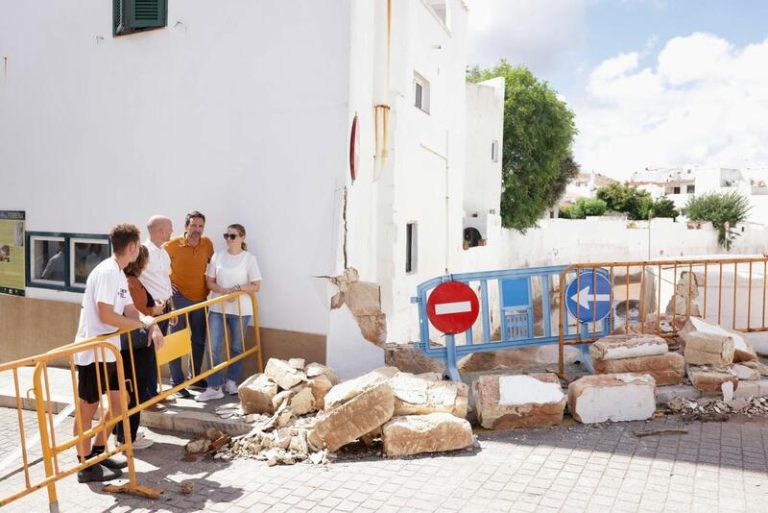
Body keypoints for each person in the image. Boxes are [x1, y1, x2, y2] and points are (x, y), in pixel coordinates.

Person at [72, 224, 163, 483]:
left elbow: (129, 309)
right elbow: (106, 314)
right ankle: (84, 465)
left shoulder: (119, 273)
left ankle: (99, 453)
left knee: (120, 402)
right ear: (132, 247)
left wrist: (148, 322)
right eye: (139, 247)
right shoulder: (108, 273)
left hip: (109, 350)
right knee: (87, 410)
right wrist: (139, 325)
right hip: (93, 351)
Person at [196, 224, 262, 401]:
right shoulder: (218, 256)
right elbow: (210, 281)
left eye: (233, 236)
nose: (228, 239)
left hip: (241, 309)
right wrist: (225, 292)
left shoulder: (249, 259)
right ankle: (214, 386)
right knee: (213, 347)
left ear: (242, 238)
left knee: (237, 347)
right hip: (218, 307)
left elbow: (256, 285)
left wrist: (237, 289)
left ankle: (231, 380)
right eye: (227, 235)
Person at [114, 245, 164, 449]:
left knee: (128, 392)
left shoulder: (127, 281)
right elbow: (136, 311)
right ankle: (127, 438)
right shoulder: (131, 283)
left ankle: (123, 436)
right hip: (135, 345)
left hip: (131, 345)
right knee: (133, 391)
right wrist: (155, 310)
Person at [164, 211, 214, 397]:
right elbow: (154, 266)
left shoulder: (207, 244)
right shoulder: (171, 245)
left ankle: (195, 377)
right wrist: (167, 284)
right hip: (178, 300)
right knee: (176, 341)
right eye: (193, 225)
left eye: (200, 226)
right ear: (186, 226)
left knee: (199, 339)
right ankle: (177, 383)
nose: (197, 230)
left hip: (201, 298)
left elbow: (214, 265)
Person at [139, 215, 174, 405]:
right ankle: (147, 396)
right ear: (160, 230)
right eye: (170, 228)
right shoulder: (143, 252)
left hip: (165, 309)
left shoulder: (163, 252)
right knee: (148, 353)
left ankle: (153, 392)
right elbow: (134, 282)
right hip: (150, 311)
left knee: (156, 352)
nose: (172, 231)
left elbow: (166, 280)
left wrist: (171, 306)